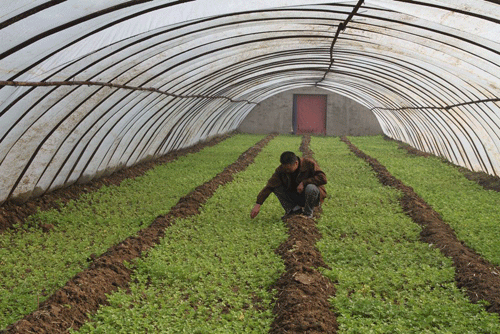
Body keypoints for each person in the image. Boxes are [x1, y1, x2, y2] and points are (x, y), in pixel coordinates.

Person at [250, 151, 327, 219]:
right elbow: (270, 186)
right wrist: (258, 204)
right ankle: (294, 210)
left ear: (296, 163)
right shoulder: (281, 170)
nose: (286, 171)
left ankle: (308, 213)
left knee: (311, 187)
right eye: (285, 169)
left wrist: (304, 182)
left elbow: (323, 178)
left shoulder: (309, 163)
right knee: (275, 187)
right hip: (295, 195)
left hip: (311, 197)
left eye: (288, 169)